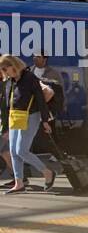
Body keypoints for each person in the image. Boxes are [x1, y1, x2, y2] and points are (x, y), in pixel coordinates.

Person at [0, 55, 56, 193]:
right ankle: (19, 183)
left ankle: (47, 172)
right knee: (13, 151)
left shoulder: (30, 78)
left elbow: (41, 100)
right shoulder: (11, 81)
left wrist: (45, 121)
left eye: (5, 69)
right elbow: (8, 104)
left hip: (31, 116)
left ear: (13, 66)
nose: (4, 73)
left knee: (21, 150)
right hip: (15, 117)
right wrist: (5, 127)